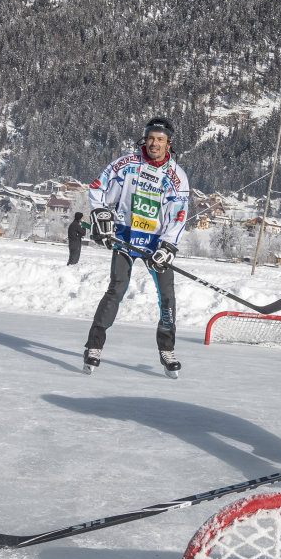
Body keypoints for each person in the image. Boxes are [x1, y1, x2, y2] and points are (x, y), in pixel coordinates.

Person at [82, 117, 190, 377]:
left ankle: (167, 349)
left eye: (160, 139)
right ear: (145, 139)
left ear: (168, 144)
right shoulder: (126, 163)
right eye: (151, 138)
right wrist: (100, 213)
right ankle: (94, 346)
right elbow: (98, 187)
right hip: (125, 236)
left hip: (156, 243)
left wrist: (168, 245)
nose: (154, 143)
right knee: (116, 289)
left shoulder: (177, 177)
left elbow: (179, 215)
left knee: (167, 296)